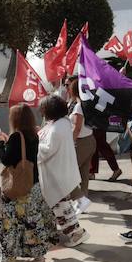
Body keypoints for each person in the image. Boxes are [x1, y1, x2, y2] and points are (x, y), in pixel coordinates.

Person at [0, 104, 56, 262]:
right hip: (33, 184)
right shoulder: (33, 134)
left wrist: (1, 143)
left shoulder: (17, 136)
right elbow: (22, 153)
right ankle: (38, 256)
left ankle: (2, 261)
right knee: (32, 222)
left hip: (18, 190)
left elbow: (7, 160)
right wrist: (8, 141)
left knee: (7, 225)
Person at [36, 95, 84, 247]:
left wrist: (33, 145)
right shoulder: (61, 122)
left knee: (61, 207)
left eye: (43, 109)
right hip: (58, 172)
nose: (41, 112)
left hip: (56, 174)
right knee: (58, 206)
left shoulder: (57, 128)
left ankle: (76, 233)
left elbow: (47, 150)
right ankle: (62, 232)